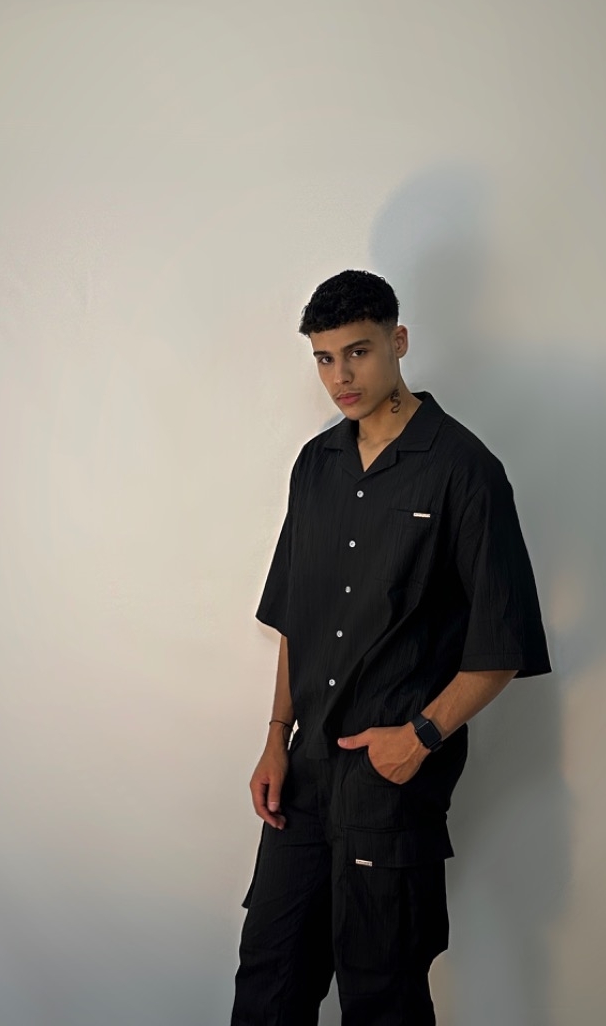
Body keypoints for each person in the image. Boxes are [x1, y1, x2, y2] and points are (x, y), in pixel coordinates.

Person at [231, 270, 551, 1025]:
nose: (340, 377)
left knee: (383, 998)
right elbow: (297, 620)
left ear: (398, 342)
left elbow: (502, 642)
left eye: (358, 352)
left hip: (391, 783)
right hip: (303, 776)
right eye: (324, 358)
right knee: (268, 983)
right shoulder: (316, 466)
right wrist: (276, 736)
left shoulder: (464, 470)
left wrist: (421, 737)